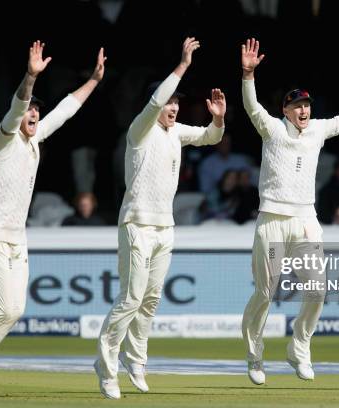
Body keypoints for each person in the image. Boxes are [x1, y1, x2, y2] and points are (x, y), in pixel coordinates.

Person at [0, 41, 106, 398]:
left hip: (16, 235)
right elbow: (18, 106)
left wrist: (94, 80)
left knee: (14, 311)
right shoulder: (1, 138)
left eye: (36, 114)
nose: (34, 117)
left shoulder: (35, 138)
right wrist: (30, 76)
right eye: (29, 113)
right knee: (1, 306)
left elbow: (65, 111)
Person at [240, 37, 339, 384]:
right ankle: (254, 355)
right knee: (265, 291)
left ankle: (299, 349)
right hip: (273, 221)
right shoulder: (272, 129)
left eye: (307, 105)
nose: (304, 111)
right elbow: (251, 108)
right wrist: (248, 75)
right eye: (297, 106)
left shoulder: (318, 129)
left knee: (317, 289)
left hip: (306, 221)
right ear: (286, 111)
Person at [95, 37, 226, 400]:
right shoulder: (140, 130)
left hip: (164, 228)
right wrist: (183, 64)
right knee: (130, 298)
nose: (172, 107)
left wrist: (219, 119)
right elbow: (154, 103)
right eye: (169, 102)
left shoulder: (177, 132)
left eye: (176, 103)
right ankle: (106, 366)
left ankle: (136, 360)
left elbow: (211, 138)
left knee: (151, 299)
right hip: (136, 224)